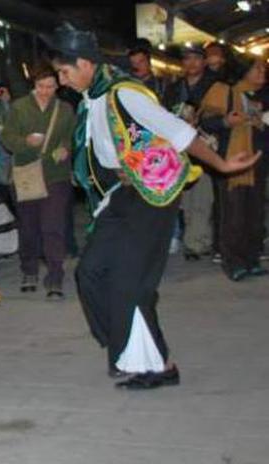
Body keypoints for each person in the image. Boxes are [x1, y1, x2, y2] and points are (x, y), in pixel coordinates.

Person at [47, 24, 260, 390]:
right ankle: (125, 348)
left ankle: (160, 365)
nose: (62, 81)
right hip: (122, 194)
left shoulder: (124, 94)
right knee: (91, 273)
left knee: (131, 283)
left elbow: (179, 131)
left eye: (64, 72)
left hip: (152, 194)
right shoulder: (92, 97)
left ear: (83, 64)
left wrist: (222, 165)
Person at [0, 65, 76, 298]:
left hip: (56, 175)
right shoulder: (19, 107)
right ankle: (29, 270)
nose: (45, 91)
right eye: (41, 86)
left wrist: (65, 149)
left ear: (57, 87)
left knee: (53, 226)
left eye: (50, 87)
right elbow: (7, 138)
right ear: (34, 86)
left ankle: (55, 276)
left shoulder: (64, 109)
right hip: (26, 175)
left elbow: (72, 136)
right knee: (29, 227)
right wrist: (26, 142)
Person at [198, 57, 267, 280]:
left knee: (254, 213)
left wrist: (261, 122)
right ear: (243, 71)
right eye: (257, 68)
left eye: (263, 68)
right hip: (229, 162)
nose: (262, 72)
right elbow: (206, 121)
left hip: (257, 162)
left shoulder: (263, 94)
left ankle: (252, 258)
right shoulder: (223, 91)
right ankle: (233, 261)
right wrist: (226, 122)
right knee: (233, 214)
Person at [162, 45, 221, 260]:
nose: (192, 63)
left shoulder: (214, 85)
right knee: (186, 199)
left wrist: (201, 120)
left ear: (204, 62)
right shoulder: (174, 88)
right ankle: (194, 240)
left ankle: (197, 242)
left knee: (203, 197)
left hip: (206, 146)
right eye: (187, 59)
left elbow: (224, 115)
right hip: (180, 148)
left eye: (196, 59)